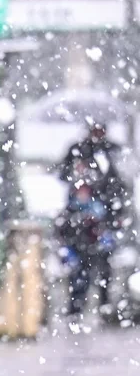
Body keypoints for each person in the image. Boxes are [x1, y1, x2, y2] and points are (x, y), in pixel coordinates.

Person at [56, 124, 131, 320]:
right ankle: (78, 307)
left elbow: (120, 185)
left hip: (102, 218)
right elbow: (64, 176)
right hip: (82, 220)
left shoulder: (111, 152)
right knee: (81, 267)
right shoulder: (79, 150)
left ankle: (101, 306)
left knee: (103, 265)